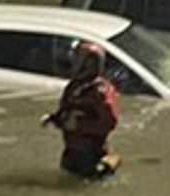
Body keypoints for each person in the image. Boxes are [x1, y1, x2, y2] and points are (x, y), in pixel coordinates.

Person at [42, 42, 122, 178]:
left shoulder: (100, 92)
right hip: (72, 152)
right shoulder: (74, 87)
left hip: (91, 155)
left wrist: (79, 125)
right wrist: (55, 119)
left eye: (79, 59)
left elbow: (109, 122)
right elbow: (67, 112)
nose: (73, 62)